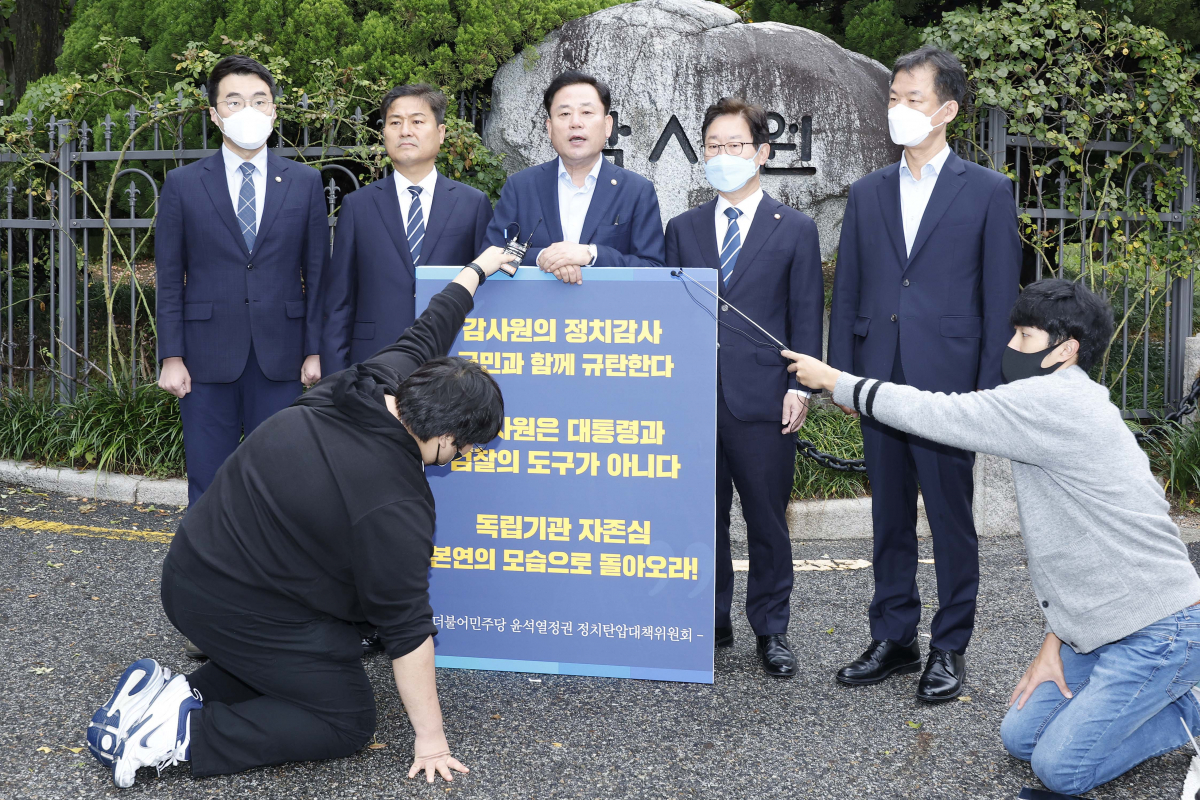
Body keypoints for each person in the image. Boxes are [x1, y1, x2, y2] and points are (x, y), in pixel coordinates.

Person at [86, 247, 517, 789]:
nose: (461, 458)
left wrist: (477, 270)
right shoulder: (396, 501)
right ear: (446, 437)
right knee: (344, 718)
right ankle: (182, 736)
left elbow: (430, 326)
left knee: (334, 649)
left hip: (196, 569)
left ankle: (171, 697)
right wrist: (430, 739)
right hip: (234, 603)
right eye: (465, 449)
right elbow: (407, 629)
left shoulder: (374, 380)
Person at [782, 278, 1200, 796]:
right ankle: (1153, 695)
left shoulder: (1056, 403)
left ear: (1064, 350)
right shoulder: (1062, 399)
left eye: (1023, 337)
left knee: (1060, 769)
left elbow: (942, 413)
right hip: (1100, 628)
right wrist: (1058, 638)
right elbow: (1083, 546)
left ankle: (1188, 712)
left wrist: (837, 381)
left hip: (1159, 630)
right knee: (1020, 738)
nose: (1009, 348)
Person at [826, 45, 1021, 701]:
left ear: (946, 110)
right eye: (893, 98)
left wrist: (989, 389)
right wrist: (844, 377)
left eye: (913, 99)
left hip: (950, 385)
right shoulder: (868, 191)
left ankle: (950, 646)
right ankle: (895, 636)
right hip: (879, 377)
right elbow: (848, 290)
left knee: (950, 518)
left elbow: (1000, 299)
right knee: (887, 517)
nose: (899, 110)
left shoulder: (989, 193)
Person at [664, 98, 823, 677]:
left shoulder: (795, 228)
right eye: (713, 146)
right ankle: (711, 618)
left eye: (735, 145)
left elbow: (807, 314)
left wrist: (800, 388)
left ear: (761, 152)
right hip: (697, 402)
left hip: (763, 401)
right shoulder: (681, 229)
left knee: (765, 520)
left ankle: (772, 629)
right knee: (702, 518)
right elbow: (670, 315)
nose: (723, 155)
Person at [156, 55, 329, 507]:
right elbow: (171, 278)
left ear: (274, 110)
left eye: (259, 100)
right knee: (208, 481)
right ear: (214, 114)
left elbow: (318, 274)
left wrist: (315, 350)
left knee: (280, 479)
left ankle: (273, 574)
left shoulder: (305, 182)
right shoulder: (183, 184)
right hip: (205, 356)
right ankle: (207, 574)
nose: (248, 110)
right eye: (233, 101)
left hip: (283, 356)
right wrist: (171, 356)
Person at [322, 84, 494, 372]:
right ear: (384, 133)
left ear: (440, 133)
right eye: (395, 122)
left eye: (417, 121)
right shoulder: (358, 205)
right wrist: (335, 377)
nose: (405, 131)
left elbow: (487, 294)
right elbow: (340, 300)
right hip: (373, 362)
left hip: (449, 361)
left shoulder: (472, 204)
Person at [484, 70, 666, 283]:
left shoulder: (636, 191)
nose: (575, 123)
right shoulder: (520, 187)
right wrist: (544, 258)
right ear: (549, 128)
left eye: (587, 112)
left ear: (608, 126)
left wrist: (591, 255)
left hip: (609, 314)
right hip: (534, 315)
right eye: (564, 114)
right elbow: (490, 254)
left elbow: (653, 268)